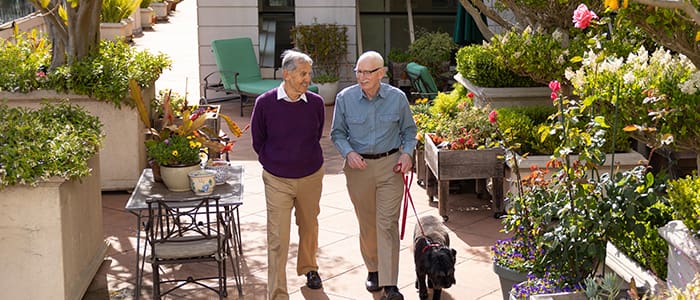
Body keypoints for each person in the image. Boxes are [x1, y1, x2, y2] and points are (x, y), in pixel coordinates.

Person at [330, 50, 417, 300]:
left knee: (386, 224)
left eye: (368, 72)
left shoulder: (397, 98)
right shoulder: (345, 98)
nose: (361, 76)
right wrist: (348, 153)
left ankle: (390, 284)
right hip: (359, 170)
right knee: (367, 224)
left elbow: (409, 132)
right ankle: (374, 270)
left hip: (390, 166)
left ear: (381, 73)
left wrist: (407, 154)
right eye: (358, 71)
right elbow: (337, 134)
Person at [250, 49, 325, 300]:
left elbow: (316, 134)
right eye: (303, 73)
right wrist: (274, 162)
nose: (308, 78)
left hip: (310, 175)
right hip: (277, 178)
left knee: (309, 226)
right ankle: (278, 293)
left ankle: (309, 268)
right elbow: (258, 141)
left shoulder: (315, 103)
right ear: (286, 74)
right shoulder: (265, 103)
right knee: (278, 237)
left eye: (309, 73)